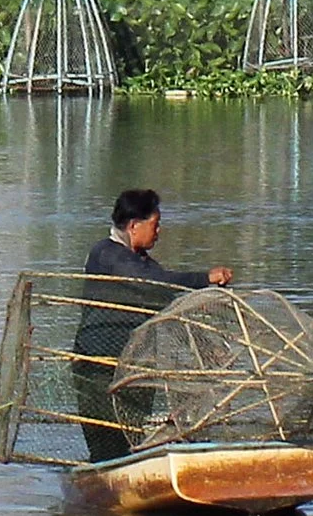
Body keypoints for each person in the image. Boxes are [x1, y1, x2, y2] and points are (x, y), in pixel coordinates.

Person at [71, 189, 235, 462]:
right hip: (98, 367)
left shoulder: (142, 261)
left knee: (129, 437)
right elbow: (156, 283)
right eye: (155, 225)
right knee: (106, 444)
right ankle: (109, 479)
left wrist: (207, 345)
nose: (158, 232)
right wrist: (205, 278)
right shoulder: (107, 254)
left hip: (134, 366)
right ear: (134, 226)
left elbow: (168, 307)